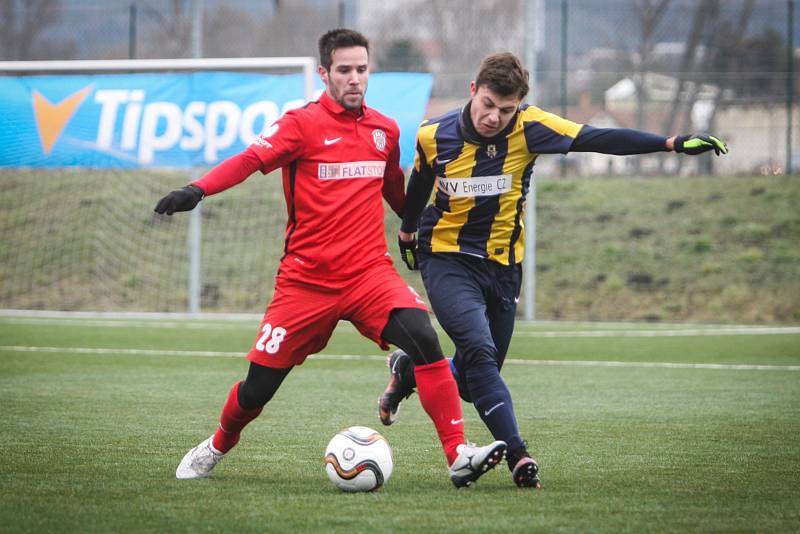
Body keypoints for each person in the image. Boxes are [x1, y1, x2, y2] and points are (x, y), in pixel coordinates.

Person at [154, 29, 506, 489]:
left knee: (423, 337)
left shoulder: (384, 130)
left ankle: (457, 454)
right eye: (344, 70)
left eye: (362, 69)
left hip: (368, 275)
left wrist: (429, 226)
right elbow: (247, 161)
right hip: (305, 284)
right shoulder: (299, 125)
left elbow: (397, 195)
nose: (355, 79)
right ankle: (218, 443)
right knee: (258, 388)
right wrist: (197, 189)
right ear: (324, 73)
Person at [378, 52, 728, 489]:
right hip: (446, 259)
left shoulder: (530, 127)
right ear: (473, 90)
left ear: (519, 105)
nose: (494, 117)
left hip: (504, 268)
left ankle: (409, 372)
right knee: (481, 354)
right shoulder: (435, 134)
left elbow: (597, 137)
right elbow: (422, 181)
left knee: (473, 379)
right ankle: (519, 457)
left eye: (506, 110)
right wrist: (408, 232)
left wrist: (671, 143)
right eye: (488, 104)